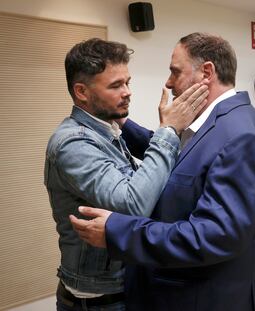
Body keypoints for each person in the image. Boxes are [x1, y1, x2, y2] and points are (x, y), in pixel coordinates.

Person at [71, 32, 255, 311]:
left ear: (206, 72)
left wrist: (118, 231)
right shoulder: (218, 124)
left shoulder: (242, 137)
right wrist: (122, 121)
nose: (169, 83)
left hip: (212, 299)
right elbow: (184, 164)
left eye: (175, 72)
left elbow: (213, 235)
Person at [44, 38, 208, 311]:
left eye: (127, 82)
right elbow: (132, 205)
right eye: (115, 85)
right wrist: (168, 131)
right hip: (99, 301)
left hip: (125, 286)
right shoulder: (73, 143)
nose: (128, 92)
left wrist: (154, 129)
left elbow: (149, 175)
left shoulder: (105, 127)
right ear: (81, 91)